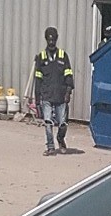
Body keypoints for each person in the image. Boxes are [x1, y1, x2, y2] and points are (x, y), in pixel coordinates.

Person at [33, 27, 75, 155]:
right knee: (47, 122)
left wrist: (68, 92)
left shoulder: (63, 55)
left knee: (63, 124)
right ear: (46, 40)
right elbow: (38, 80)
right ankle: (50, 146)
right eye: (49, 39)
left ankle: (60, 139)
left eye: (53, 39)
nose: (51, 42)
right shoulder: (41, 57)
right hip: (46, 95)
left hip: (61, 96)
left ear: (56, 39)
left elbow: (69, 75)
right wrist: (37, 100)